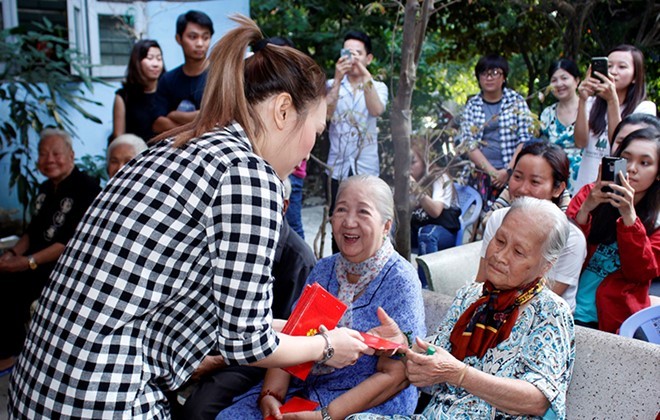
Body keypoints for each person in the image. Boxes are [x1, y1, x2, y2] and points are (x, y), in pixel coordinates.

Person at [9, 16, 373, 418]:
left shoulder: (178, 147)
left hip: (39, 386)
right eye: (316, 130)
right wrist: (326, 347)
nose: (310, 149)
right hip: (103, 396)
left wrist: (300, 331)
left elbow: (235, 318)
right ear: (283, 110)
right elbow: (246, 342)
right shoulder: (250, 176)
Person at [217, 175, 426, 419]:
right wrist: (271, 396)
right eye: (341, 210)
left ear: (386, 226)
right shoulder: (324, 269)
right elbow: (292, 335)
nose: (349, 222)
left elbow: (395, 376)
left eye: (363, 212)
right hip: (307, 388)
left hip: (362, 404)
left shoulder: (401, 280)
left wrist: (324, 416)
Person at [349, 197, 575, 420]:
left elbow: (538, 400)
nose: (500, 256)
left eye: (518, 252)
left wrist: (460, 374)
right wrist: (401, 346)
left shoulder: (551, 312)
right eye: (500, 241)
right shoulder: (471, 296)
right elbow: (432, 358)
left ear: (546, 264)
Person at [182, 177, 317, 419]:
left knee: (198, 409)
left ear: (284, 206)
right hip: (212, 342)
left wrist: (214, 361)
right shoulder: (231, 235)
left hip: (256, 359)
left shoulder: (299, 259)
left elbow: (288, 337)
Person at [0, 128, 100, 375]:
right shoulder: (45, 188)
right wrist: (12, 254)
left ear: (72, 155)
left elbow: (70, 242)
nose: (49, 159)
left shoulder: (87, 187)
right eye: (43, 154)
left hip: (64, 267)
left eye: (56, 153)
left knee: (10, 287)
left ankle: (9, 355)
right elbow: (30, 233)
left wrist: (27, 262)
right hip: (33, 261)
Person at [567, 127, 660, 333]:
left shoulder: (657, 219)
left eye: (645, 163)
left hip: (613, 321)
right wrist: (587, 207)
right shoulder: (590, 193)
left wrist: (629, 217)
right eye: (626, 159)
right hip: (566, 306)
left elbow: (641, 272)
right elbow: (563, 245)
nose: (632, 169)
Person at [477, 141, 587, 311]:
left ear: (558, 189)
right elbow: (482, 282)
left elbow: (538, 306)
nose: (522, 189)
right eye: (517, 177)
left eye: (535, 182)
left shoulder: (571, 238)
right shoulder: (498, 218)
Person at [573, 44, 657, 192]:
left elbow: (619, 147)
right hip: (585, 186)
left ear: (635, 77)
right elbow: (580, 142)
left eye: (622, 67)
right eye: (609, 66)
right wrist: (582, 100)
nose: (613, 72)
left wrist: (612, 101)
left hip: (618, 188)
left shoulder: (644, 109)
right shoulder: (591, 104)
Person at [325, 30, 388, 218]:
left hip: (366, 166)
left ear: (368, 58)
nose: (351, 58)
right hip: (337, 167)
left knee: (367, 218)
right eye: (347, 53)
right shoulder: (331, 84)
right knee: (338, 220)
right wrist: (337, 79)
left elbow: (376, 110)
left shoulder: (377, 87)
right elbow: (326, 115)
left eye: (357, 53)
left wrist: (364, 75)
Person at [459, 54, 532, 210]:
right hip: (480, 173)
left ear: (504, 76)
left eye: (494, 73)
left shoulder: (516, 101)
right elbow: (468, 142)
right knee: (478, 221)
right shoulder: (472, 105)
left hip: (513, 173)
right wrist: (492, 173)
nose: (489, 78)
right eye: (484, 73)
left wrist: (508, 170)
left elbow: (525, 139)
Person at [152, 10, 214, 134]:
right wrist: (198, 123)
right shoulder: (167, 80)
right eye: (193, 37)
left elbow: (217, 119)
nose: (200, 43)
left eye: (205, 37)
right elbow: (158, 124)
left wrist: (174, 115)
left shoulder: (219, 77)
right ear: (178, 39)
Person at [409, 138, 460, 257]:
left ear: (425, 160)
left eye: (413, 162)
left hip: (442, 232)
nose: (408, 167)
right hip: (417, 230)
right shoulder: (405, 181)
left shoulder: (439, 178)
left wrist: (416, 189)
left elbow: (435, 211)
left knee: (427, 234)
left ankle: (426, 276)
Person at [540, 58, 582, 195]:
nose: (559, 84)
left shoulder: (591, 109)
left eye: (564, 78)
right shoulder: (547, 114)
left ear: (577, 80)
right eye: (554, 80)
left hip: (585, 179)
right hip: (556, 181)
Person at [111, 39, 165, 142]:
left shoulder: (168, 91)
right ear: (137, 62)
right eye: (150, 58)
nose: (156, 64)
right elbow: (119, 138)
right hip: (136, 154)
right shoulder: (124, 97)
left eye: (159, 59)